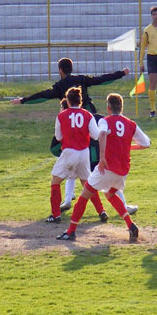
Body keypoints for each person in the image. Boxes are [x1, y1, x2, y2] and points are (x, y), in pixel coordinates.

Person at [57, 93, 150, 242]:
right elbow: (146, 143)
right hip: (122, 171)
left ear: (108, 107)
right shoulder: (131, 124)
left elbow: (102, 134)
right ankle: (131, 225)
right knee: (111, 194)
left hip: (106, 167)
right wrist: (127, 147)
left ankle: (71, 231)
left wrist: (102, 158)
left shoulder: (105, 121)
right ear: (121, 107)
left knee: (84, 196)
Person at [46, 87, 107, 223]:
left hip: (69, 152)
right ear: (80, 101)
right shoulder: (87, 115)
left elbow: (58, 136)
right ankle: (101, 211)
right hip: (84, 153)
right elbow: (96, 135)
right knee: (87, 184)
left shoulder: (62, 115)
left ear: (68, 101)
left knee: (55, 182)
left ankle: (56, 215)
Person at [10, 57, 129, 115]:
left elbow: (43, 96)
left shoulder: (60, 86)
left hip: (71, 117)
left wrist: (23, 100)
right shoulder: (82, 79)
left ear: (60, 70)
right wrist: (121, 73)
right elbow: (102, 79)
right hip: (89, 112)